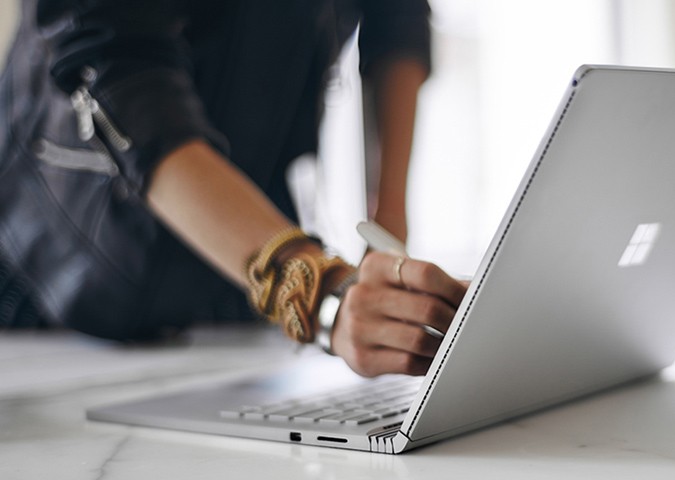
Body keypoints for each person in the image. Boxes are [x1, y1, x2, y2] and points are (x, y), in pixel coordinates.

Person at [0, 0, 467, 377]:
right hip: (56, 286)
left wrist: (390, 240)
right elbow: (115, 62)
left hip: (243, 271)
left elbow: (396, 21)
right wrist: (314, 290)